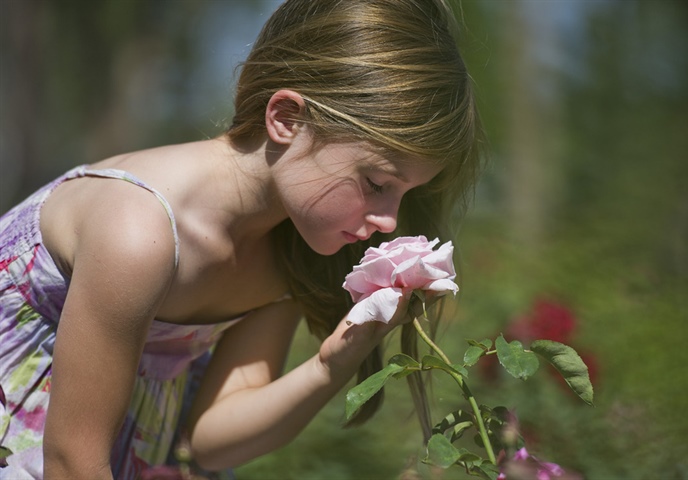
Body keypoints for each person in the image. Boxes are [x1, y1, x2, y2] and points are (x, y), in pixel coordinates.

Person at [0, 0, 484, 478]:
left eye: (405, 193)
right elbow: (70, 462)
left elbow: (210, 442)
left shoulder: (284, 250)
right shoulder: (138, 230)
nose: (389, 221)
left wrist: (333, 362)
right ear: (287, 119)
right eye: (377, 183)